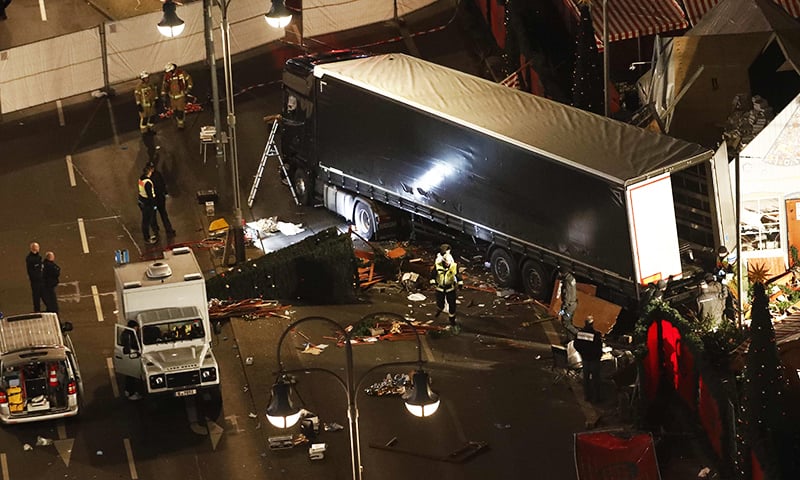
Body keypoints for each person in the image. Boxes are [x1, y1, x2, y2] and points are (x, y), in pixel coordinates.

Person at [430, 243, 463, 326]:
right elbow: (433, 275)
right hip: (440, 288)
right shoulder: (438, 266)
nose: (448, 264)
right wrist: (433, 283)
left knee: (452, 305)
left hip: (450, 288)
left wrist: (460, 284)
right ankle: (439, 309)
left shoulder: (453, 266)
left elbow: (457, 275)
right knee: (440, 302)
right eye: (446, 263)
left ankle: (452, 319)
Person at [574, 316, 603, 403]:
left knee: (586, 379)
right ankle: (596, 397)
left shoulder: (579, 334)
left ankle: (587, 396)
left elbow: (576, 345)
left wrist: (582, 352)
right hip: (594, 359)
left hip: (585, 358)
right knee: (595, 379)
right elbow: (599, 347)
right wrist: (599, 356)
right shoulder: (596, 335)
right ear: (592, 324)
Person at [147, 160, 176, 237]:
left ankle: (167, 230)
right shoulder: (149, 177)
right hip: (154, 200)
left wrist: (165, 193)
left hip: (159, 199)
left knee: (162, 215)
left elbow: (162, 184)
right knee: (154, 216)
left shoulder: (156, 174)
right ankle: (156, 231)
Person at [161, 63, 193, 129]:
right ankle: (180, 121)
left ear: (172, 70)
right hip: (172, 97)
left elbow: (189, 80)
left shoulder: (181, 73)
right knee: (175, 111)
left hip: (180, 96)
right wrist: (163, 95)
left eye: (169, 72)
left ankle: (181, 125)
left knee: (180, 111)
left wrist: (188, 89)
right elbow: (164, 86)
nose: (168, 73)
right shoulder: (166, 77)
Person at [122, 320, 143, 400]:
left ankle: (128, 391)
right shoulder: (129, 335)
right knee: (131, 376)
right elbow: (128, 348)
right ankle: (131, 393)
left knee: (129, 376)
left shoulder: (126, 333)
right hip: (131, 357)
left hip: (128, 357)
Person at [138, 164, 158, 245]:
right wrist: (154, 205)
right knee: (146, 221)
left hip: (142, 201)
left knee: (145, 221)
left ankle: (147, 236)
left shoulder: (141, 179)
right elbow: (150, 195)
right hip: (147, 204)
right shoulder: (148, 182)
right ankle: (147, 238)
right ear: (149, 171)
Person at [557, 270, 579, 339]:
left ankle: (579, 335)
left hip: (568, 307)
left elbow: (567, 296)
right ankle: (570, 339)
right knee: (569, 322)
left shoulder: (567, 282)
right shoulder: (571, 278)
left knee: (566, 323)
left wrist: (563, 309)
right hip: (572, 305)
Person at [26, 242, 44, 312]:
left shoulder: (38, 257)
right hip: (36, 281)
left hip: (39, 280)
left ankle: (38, 310)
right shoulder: (31, 258)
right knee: (37, 296)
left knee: (39, 295)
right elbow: (31, 271)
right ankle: (37, 310)